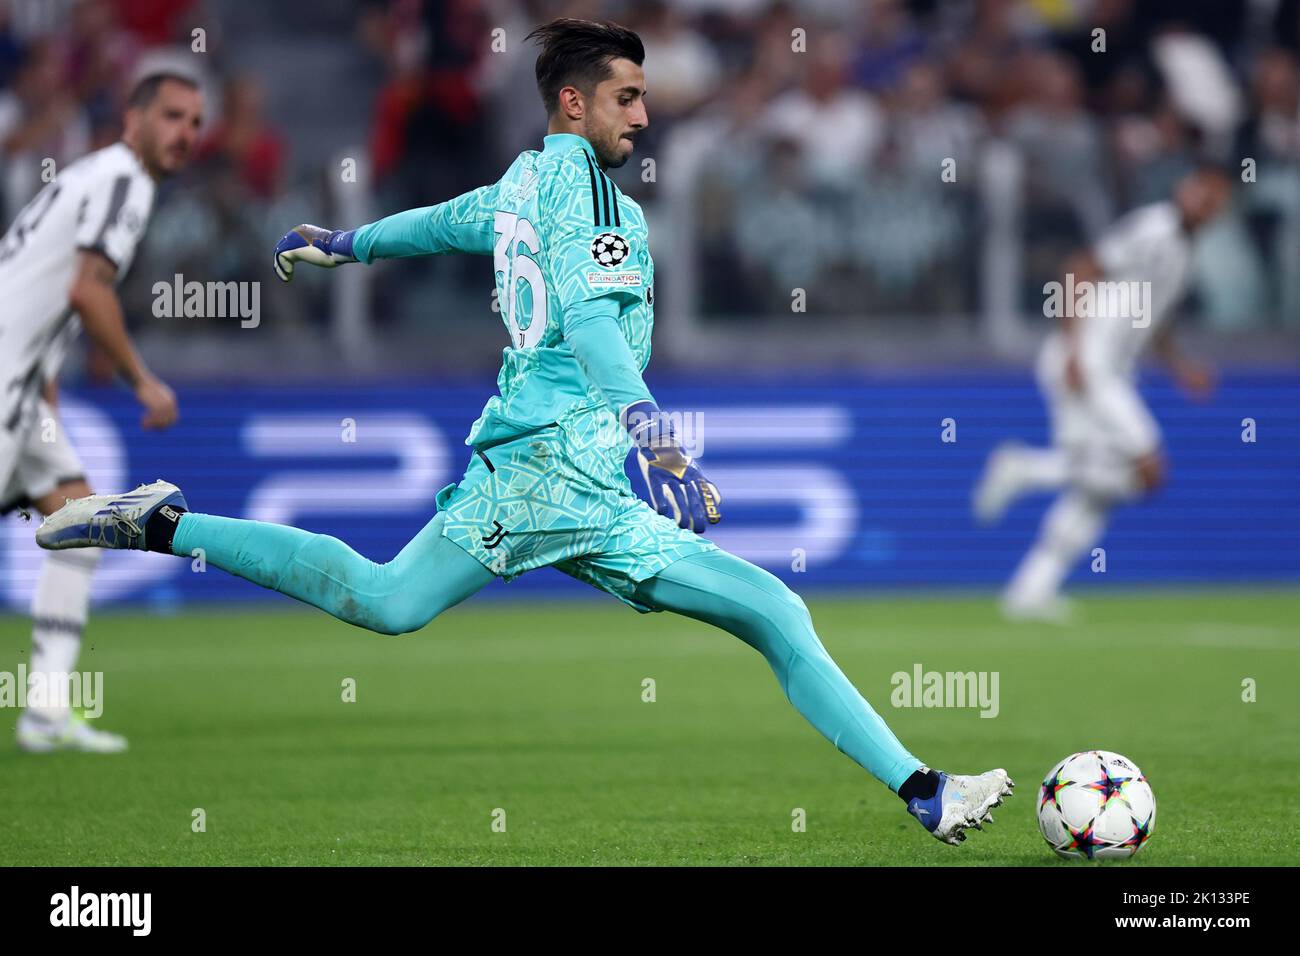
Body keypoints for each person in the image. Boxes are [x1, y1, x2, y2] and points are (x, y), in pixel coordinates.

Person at [37, 20, 1010, 843]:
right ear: (573, 107)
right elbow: (589, 321)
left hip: (536, 466)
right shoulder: (587, 192)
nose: (643, 112)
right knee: (771, 613)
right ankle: (925, 790)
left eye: (642, 95)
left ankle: (166, 523)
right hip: (568, 466)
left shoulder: (521, 183)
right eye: (625, 97)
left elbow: (442, 222)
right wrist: (657, 440)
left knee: (389, 600)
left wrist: (346, 242)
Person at [2, 72, 202, 751]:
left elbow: (38, 284)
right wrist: (144, 382)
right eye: (173, 116)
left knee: (81, 525)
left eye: (196, 123)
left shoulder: (95, 177)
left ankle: (46, 712)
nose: (186, 134)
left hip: (23, 390)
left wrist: (45, 381)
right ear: (134, 117)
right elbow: (88, 293)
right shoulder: (124, 182)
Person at [974, 165, 1231, 621]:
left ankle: (1030, 591)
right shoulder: (1154, 227)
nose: (1204, 204)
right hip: (1088, 368)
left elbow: (1155, 322)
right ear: (1182, 189)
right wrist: (1073, 349)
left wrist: (1181, 368)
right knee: (1148, 470)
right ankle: (1025, 469)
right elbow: (1081, 267)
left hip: (1107, 370)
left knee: (1100, 490)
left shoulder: (1185, 255)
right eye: (1200, 193)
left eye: (1214, 200)